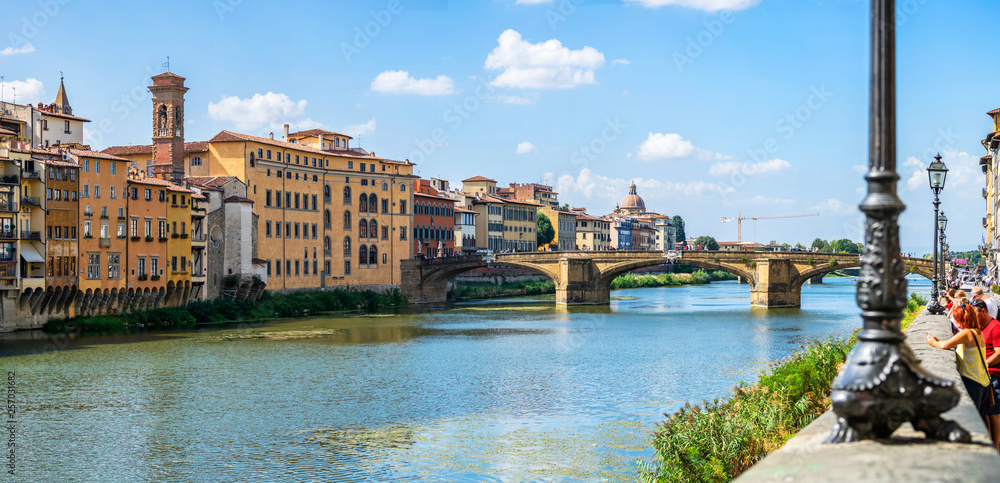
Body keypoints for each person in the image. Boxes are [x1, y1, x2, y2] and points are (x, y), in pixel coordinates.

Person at [927, 304, 992, 425]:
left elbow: (945, 346)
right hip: (983, 382)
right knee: (980, 418)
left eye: (957, 320)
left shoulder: (967, 333)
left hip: (972, 382)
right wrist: (939, 341)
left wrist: (932, 342)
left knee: (971, 421)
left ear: (963, 319)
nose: (955, 322)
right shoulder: (978, 332)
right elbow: (956, 344)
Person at [974, 299, 1000, 450]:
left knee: (994, 412)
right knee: (986, 412)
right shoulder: (980, 326)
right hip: (984, 375)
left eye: (975, 313)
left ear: (983, 310)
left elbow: (999, 353)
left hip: (994, 375)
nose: (974, 316)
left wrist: (984, 365)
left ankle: (996, 447)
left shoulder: (995, 327)